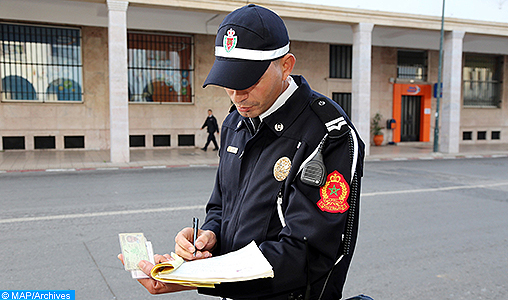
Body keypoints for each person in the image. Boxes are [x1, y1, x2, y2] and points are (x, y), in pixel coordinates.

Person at [119, 4, 366, 300]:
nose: (238, 96)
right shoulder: (235, 122)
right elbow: (221, 206)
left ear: (285, 65)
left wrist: (194, 278)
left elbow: (306, 253)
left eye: (248, 81)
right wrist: (208, 238)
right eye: (228, 82)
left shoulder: (328, 134)